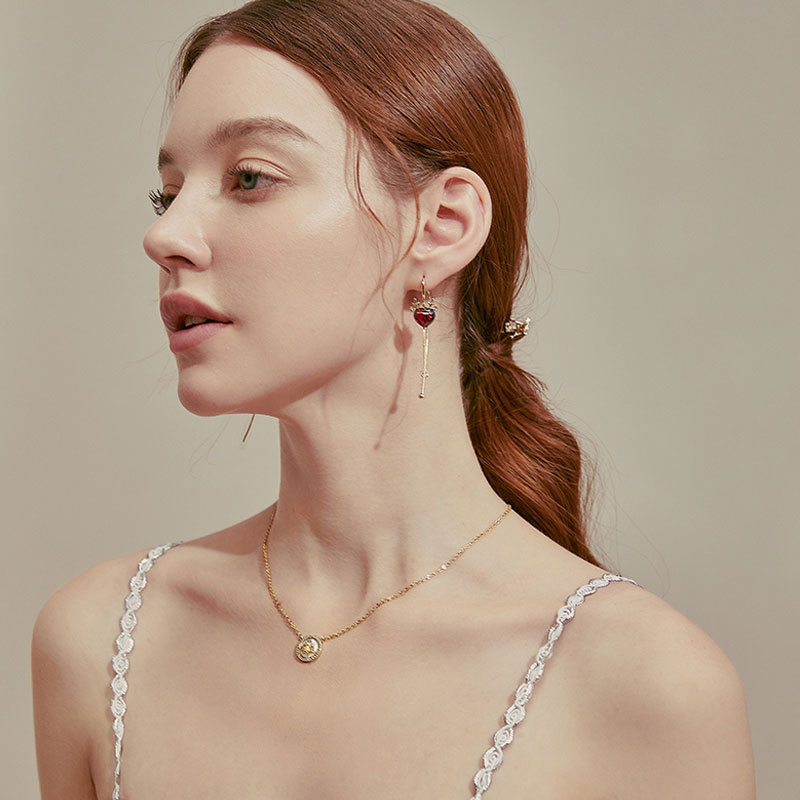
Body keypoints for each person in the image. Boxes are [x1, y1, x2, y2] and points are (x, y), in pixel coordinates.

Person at [31, 0, 755, 797]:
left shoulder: (645, 687)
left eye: (249, 178)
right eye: (167, 194)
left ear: (441, 224)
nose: (164, 236)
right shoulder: (105, 639)